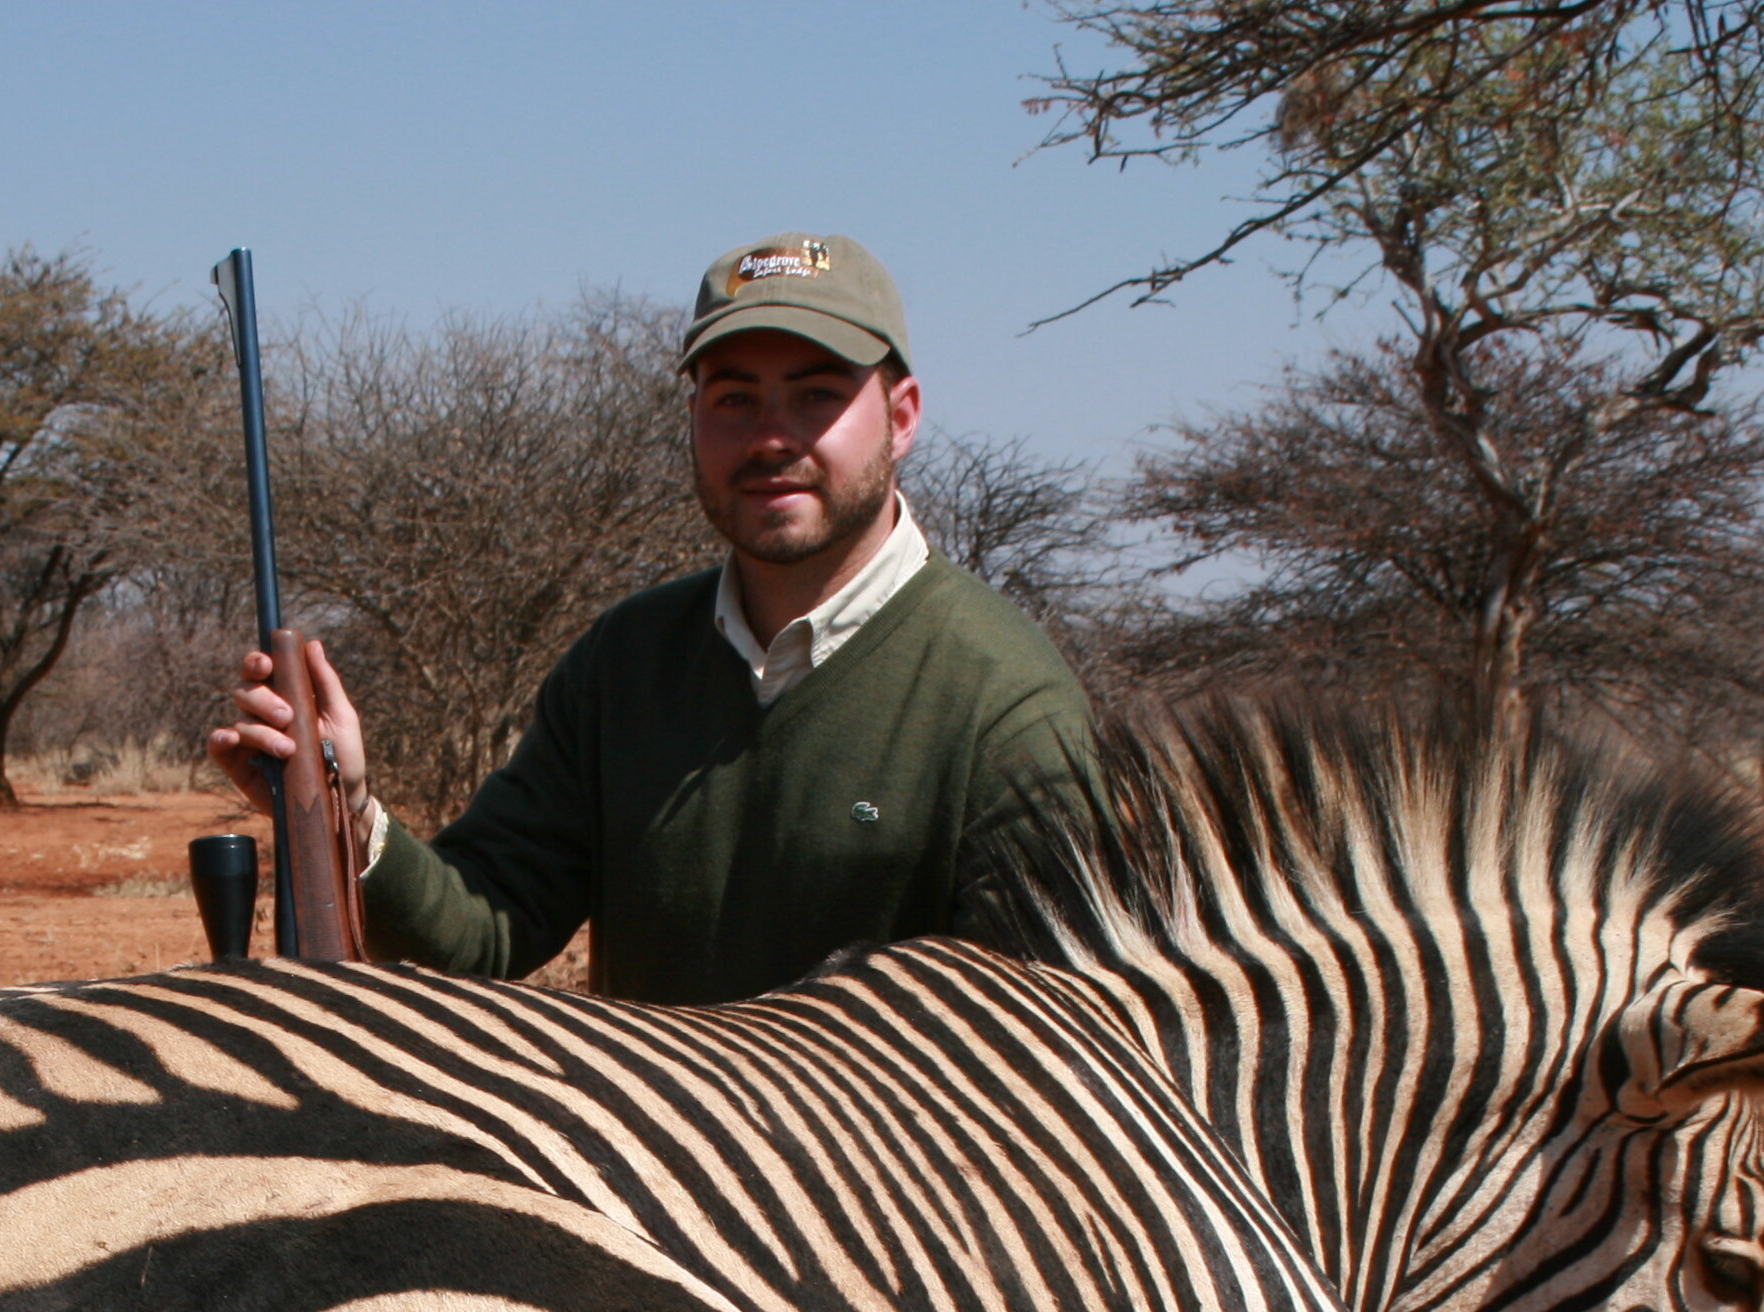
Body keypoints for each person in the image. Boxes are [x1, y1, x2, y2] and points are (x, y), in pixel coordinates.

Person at [208, 232, 1097, 1005]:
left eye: (817, 395)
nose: (771, 436)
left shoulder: (1004, 697)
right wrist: (345, 809)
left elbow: (1038, 1047)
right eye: (734, 398)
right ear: (695, 418)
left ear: (901, 418)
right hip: (642, 1192)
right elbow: (485, 929)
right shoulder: (624, 662)